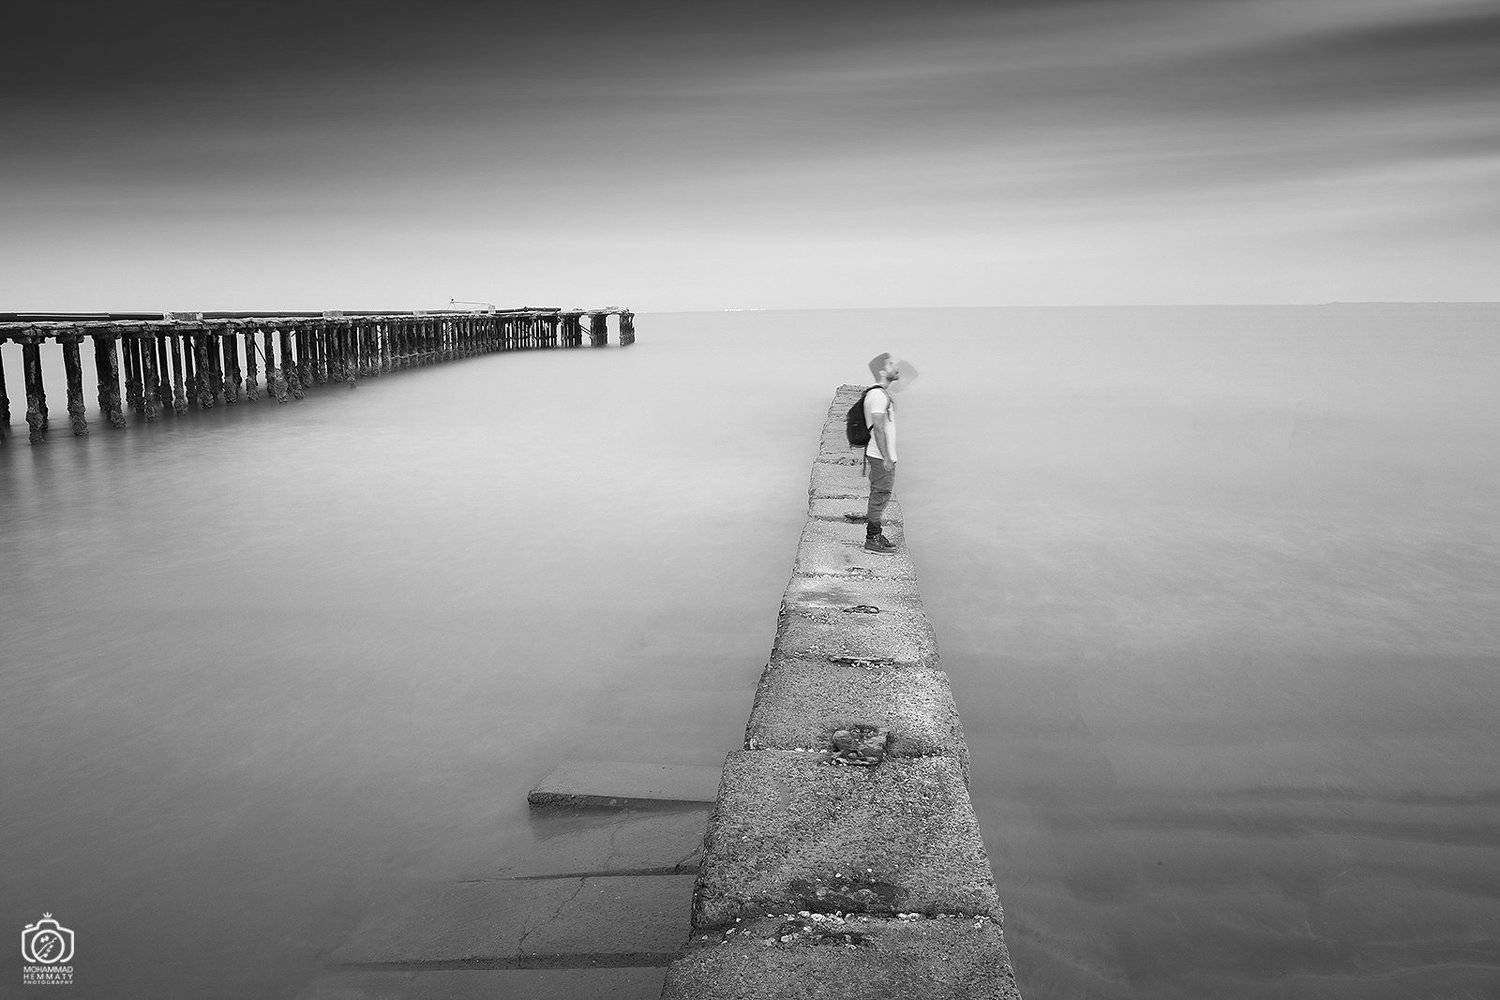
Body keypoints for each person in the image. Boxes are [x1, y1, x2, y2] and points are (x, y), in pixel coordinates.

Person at [861, 352, 907, 553]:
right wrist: (887, 457)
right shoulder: (878, 395)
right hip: (880, 456)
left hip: (879, 454)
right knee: (880, 495)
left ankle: (876, 533)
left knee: (880, 495)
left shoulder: (879, 393)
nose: (895, 366)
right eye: (890, 364)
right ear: (881, 371)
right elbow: (878, 428)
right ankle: (872, 539)